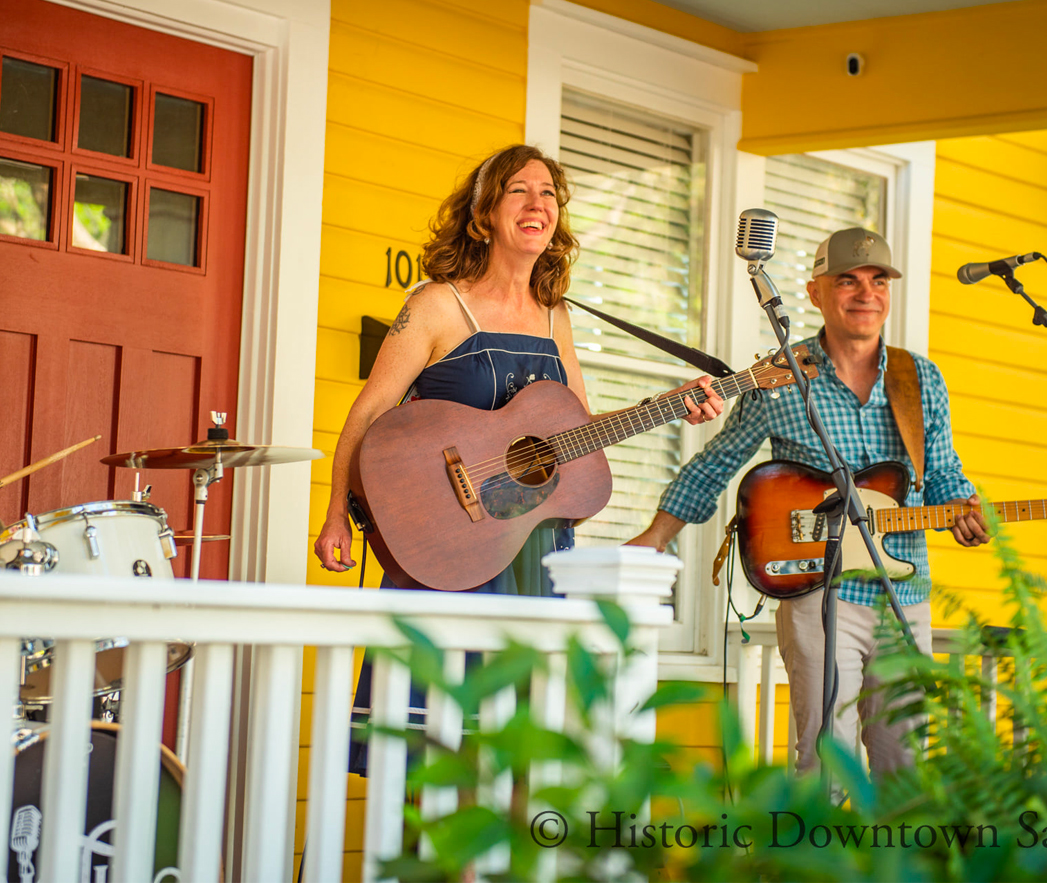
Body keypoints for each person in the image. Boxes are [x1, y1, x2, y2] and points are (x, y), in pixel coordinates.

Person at [312, 144, 723, 772]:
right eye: (519, 192)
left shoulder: (556, 316)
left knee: (513, 762)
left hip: (532, 555)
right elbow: (368, 413)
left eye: (550, 194)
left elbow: (576, 434)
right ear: (483, 213)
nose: (538, 205)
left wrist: (670, 404)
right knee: (426, 758)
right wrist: (338, 509)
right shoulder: (437, 304)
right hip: (441, 548)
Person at [628, 226, 990, 776]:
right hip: (819, 591)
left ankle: (900, 864)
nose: (866, 292)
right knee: (827, 757)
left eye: (878, 280)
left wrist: (964, 506)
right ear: (816, 292)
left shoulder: (921, 378)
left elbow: (940, 473)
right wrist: (655, 539)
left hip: (904, 594)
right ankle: (815, 861)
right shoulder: (779, 375)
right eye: (847, 280)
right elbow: (717, 463)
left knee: (908, 762)